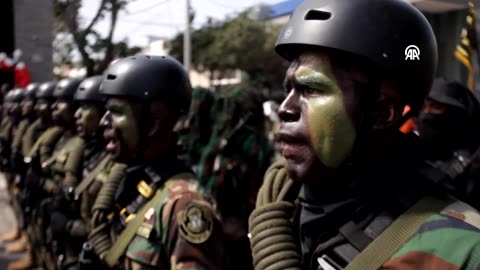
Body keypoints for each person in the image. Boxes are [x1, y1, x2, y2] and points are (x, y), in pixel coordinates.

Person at [248, 0, 480, 270]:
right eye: (288, 89)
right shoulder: (283, 212)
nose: (285, 109)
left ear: (382, 112)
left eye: (311, 90)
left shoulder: (460, 249)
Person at [84, 55, 223, 269]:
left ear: (152, 124)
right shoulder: (139, 182)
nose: (104, 122)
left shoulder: (183, 203)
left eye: (116, 112)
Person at [416, 78, 480, 208]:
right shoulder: (410, 150)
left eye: (436, 107)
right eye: (423, 106)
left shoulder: (473, 160)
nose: (427, 114)